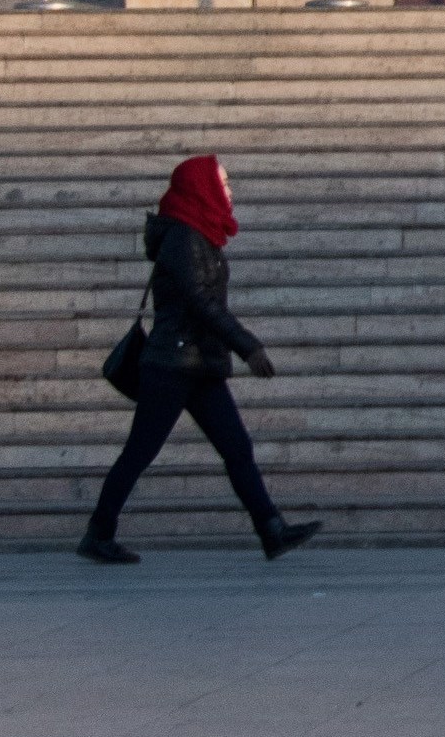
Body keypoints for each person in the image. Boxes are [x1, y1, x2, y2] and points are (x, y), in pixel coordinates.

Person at [78, 154, 320, 564]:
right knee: (140, 452)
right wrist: (248, 346)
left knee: (237, 447)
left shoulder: (202, 233)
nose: (229, 190)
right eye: (223, 183)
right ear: (200, 187)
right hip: (171, 366)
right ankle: (99, 533)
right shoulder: (183, 238)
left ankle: (271, 529)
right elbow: (201, 302)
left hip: (200, 363)